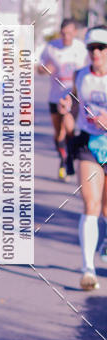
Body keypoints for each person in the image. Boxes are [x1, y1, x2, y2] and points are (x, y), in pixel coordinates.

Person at [67, 26, 107, 290]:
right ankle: (88, 270)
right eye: (91, 48)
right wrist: (67, 111)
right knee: (91, 203)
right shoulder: (80, 75)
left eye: (101, 48)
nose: (96, 53)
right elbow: (73, 105)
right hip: (89, 143)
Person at [37, 18, 87, 180]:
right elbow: (39, 68)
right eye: (63, 34)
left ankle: (68, 160)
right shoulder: (51, 47)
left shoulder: (81, 48)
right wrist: (45, 69)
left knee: (68, 128)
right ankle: (63, 158)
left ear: (75, 33)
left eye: (69, 34)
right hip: (55, 96)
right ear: (60, 33)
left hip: (73, 96)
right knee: (59, 133)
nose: (66, 37)